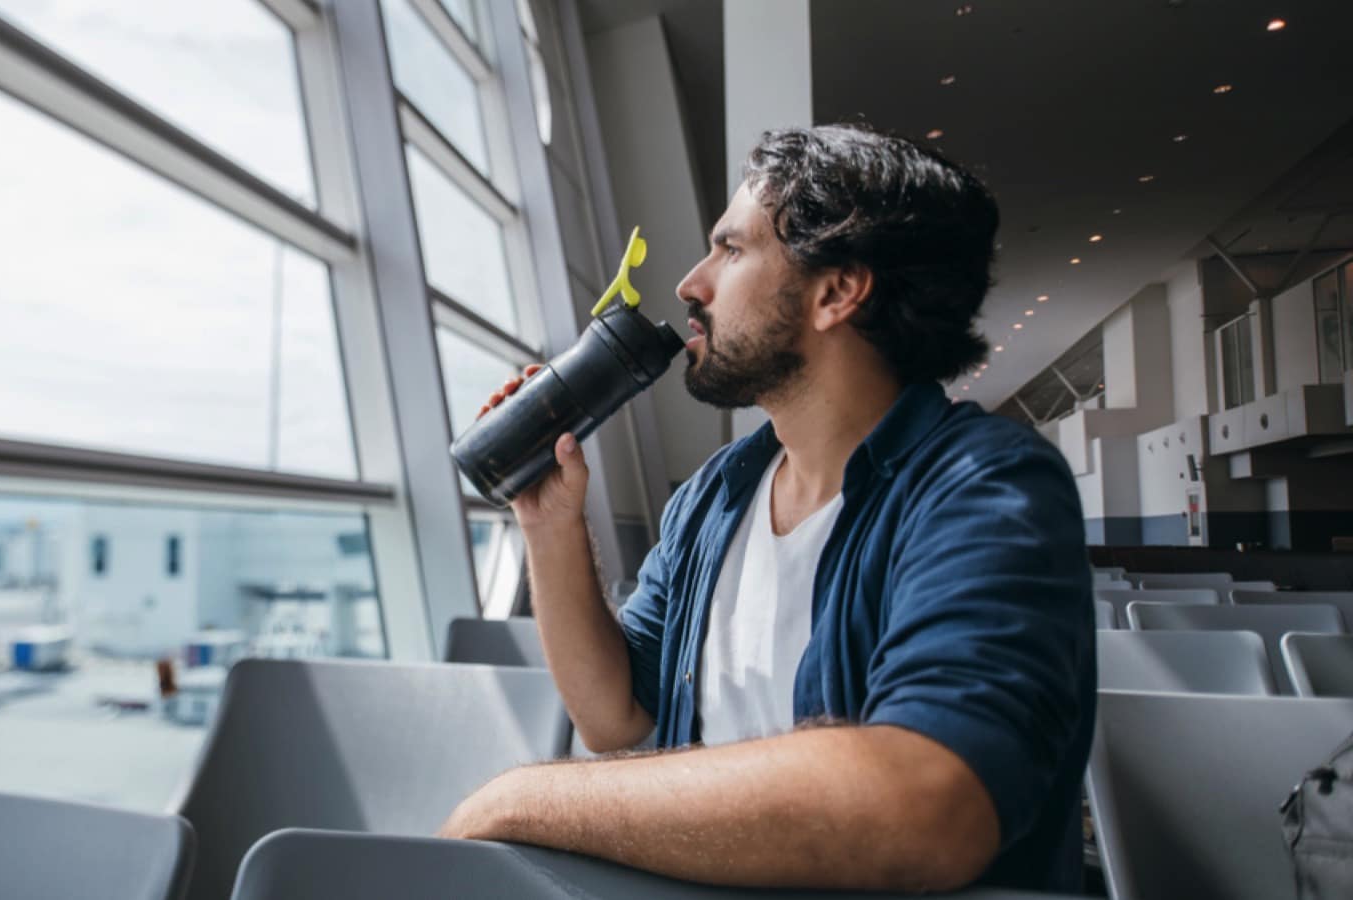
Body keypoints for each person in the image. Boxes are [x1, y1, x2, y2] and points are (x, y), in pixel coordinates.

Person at [439, 123, 1094, 894]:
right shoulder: (718, 494)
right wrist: (549, 526)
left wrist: (524, 798)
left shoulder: (986, 487)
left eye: (732, 249)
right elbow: (616, 718)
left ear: (837, 291)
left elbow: (926, 802)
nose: (692, 283)